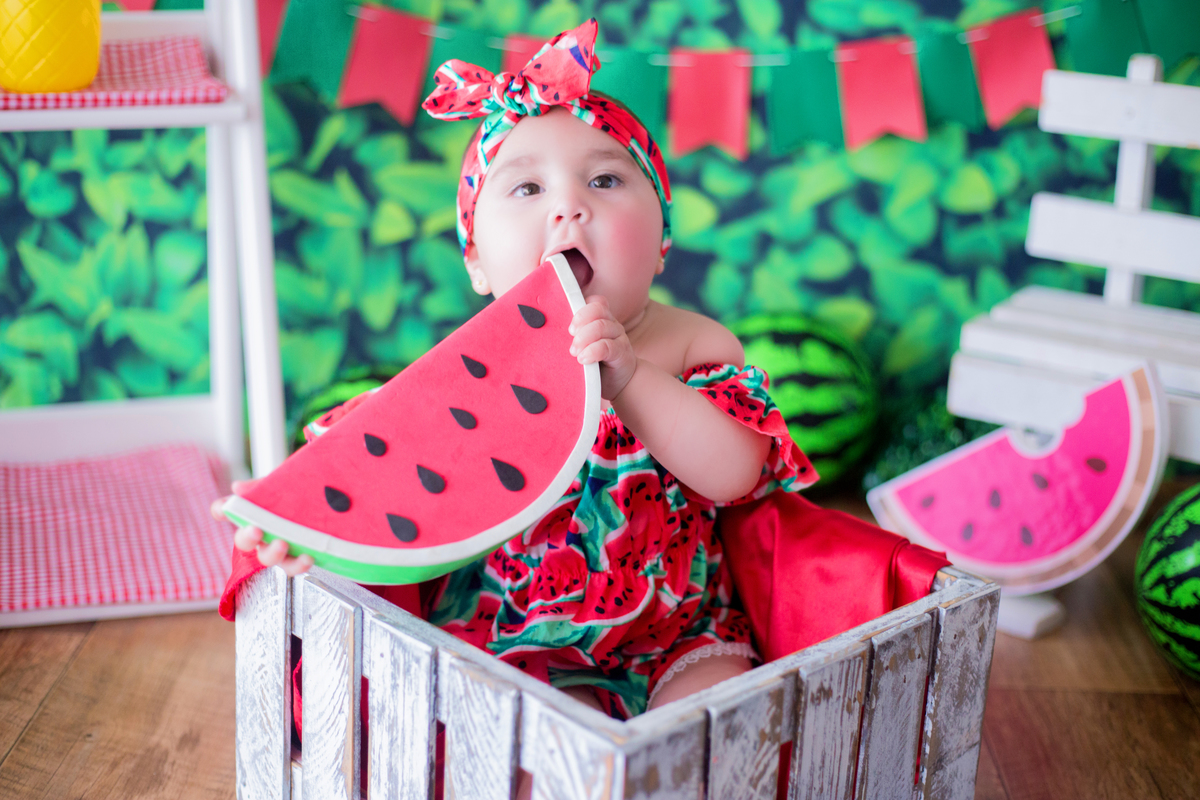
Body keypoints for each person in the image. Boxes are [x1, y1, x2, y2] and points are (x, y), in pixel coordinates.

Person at [215, 19, 946, 799]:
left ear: (661, 237)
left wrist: (631, 377)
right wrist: (313, 541)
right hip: (504, 640)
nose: (569, 209)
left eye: (605, 180)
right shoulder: (470, 367)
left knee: (725, 717)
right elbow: (384, 484)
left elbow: (735, 472)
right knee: (498, 745)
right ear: (475, 261)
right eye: (526, 188)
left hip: (675, 639)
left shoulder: (692, 343)